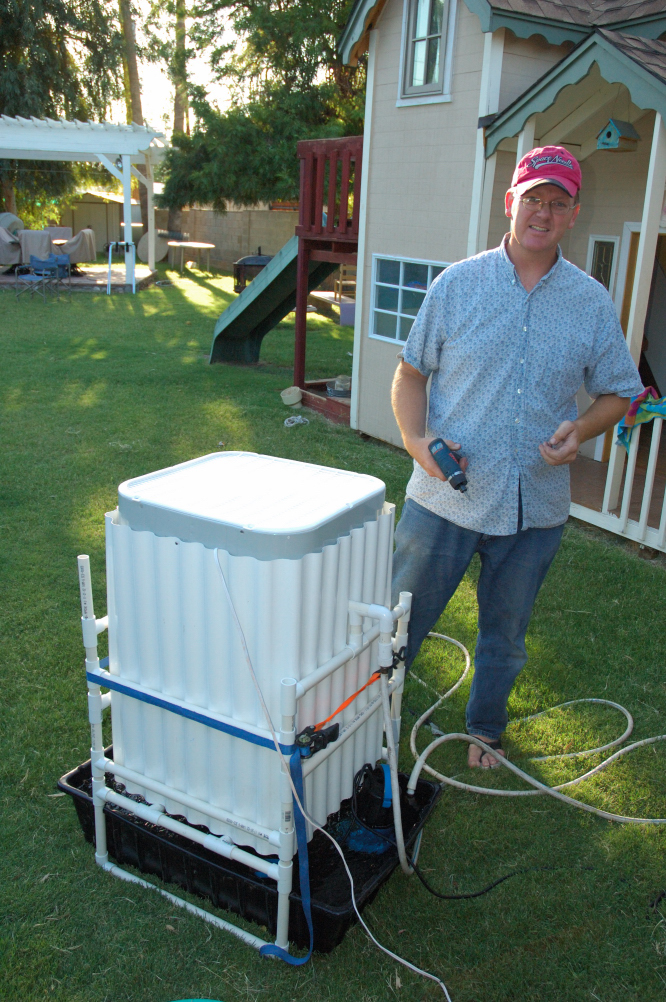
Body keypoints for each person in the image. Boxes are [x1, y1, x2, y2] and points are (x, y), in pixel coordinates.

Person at [390, 146, 643, 769]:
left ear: (574, 215)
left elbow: (620, 390)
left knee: (504, 635)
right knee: (397, 623)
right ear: (511, 203)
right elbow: (409, 376)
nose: (543, 213)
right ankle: (367, 720)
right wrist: (418, 446)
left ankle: (485, 732)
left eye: (558, 203)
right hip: (443, 496)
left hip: (536, 505)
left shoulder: (589, 302)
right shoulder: (457, 284)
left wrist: (581, 429)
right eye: (533, 198)